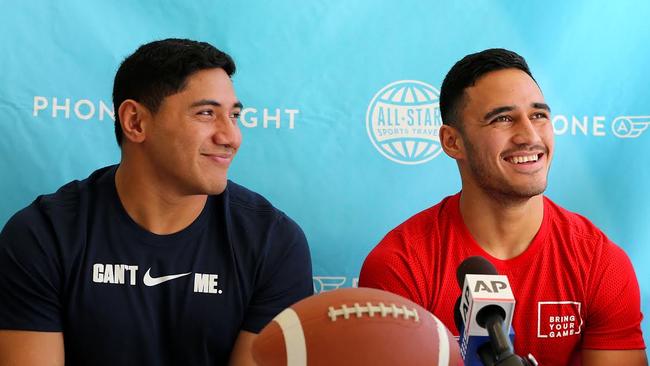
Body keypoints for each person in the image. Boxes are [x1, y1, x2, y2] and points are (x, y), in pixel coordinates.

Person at [0, 38, 313, 365]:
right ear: (135, 122)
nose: (231, 137)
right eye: (206, 113)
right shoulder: (42, 235)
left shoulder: (273, 242)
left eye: (233, 116)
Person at [359, 48, 646, 365]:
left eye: (539, 115)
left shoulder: (600, 262)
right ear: (453, 142)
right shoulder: (401, 265)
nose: (529, 135)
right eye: (503, 119)